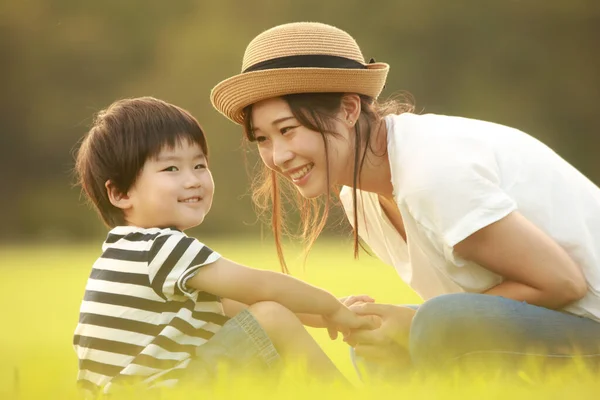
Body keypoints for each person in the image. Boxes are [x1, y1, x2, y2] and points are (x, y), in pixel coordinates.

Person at [210, 22, 600, 379]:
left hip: (589, 319)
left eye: (288, 130)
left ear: (348, 109)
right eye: (263, 139)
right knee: (378, 336)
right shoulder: (359, 196)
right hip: (559, 322)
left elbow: (562, 282)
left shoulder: (431, 170)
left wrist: (414, 324)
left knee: (437, 322)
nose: (277, 156)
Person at [72, 96, 378, 395]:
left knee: (264, 314)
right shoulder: (160, 247)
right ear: (121, 193)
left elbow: (234, 304)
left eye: (199, 165)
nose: (193, 180)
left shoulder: (126, 252)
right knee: (270, 317)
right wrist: (330, 307)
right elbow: (262, 288)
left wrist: (328, 316)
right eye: (171, 169)